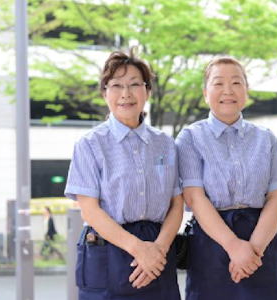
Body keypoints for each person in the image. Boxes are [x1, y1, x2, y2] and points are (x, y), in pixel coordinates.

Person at [64, 49, 183, 300]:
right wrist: (140, 250)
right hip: (108, 248)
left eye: (134, 85)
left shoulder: (165, 144)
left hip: (158, 249)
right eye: (116, 85)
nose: (126, 94)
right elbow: (90, 211)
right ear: (105, 93)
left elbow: (176, 203)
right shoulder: (90, 144)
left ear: (147, 91)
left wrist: (157, 251)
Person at [176, 56, 277, 300]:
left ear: (247, 91)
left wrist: (254, 251)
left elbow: (276, 198)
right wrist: (234, 248)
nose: (228, 91)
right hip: (211, 242)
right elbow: (195, 199)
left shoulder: (266, 139)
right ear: (205, 92)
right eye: (218, 83)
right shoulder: (190, 138)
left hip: (261, 241)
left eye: (236, 83)